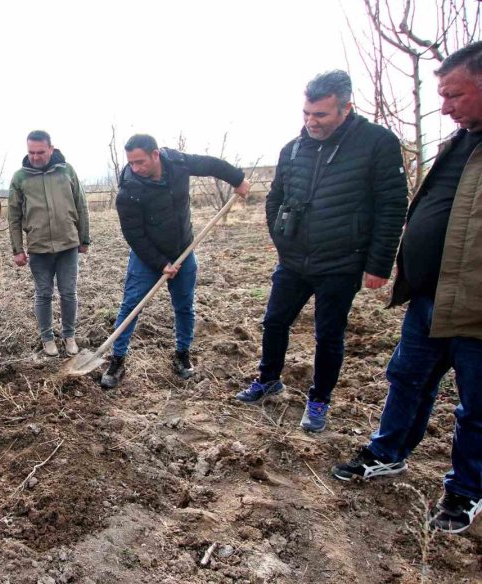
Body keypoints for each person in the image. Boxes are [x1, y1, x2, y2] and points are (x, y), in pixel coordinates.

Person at [332, 42, 482, 535]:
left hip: (477, 307)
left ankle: (465, 492)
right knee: (407, 379)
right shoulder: (460, 142)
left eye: (454, 94)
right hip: (430, 296)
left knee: (476, 406)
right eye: (440, 95)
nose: (445, 107)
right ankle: (387, 452)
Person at [234, 70, 408, 433]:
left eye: (321, 115)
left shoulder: (377, 143)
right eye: (306, 114)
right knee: (274, 322)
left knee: (328, 335)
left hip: (342, 263)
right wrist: (281, 238)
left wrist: (378, 263)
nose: (311, 122)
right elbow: (275, 199)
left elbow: (391, 206)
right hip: (294, 261)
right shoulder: (294, 149)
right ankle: (268, 379)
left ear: (346, 109)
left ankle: (319, 400)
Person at [100, 134, 250, 389]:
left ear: (156, 154)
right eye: (131, 163)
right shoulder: (129, 192)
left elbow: (211, 164)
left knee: (184, 306)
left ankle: (182, 355)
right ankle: (117, 360)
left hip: (184, 249)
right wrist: (160, 263)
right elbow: (134, 236)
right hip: (147, 257)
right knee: (131, 307)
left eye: (140, 162)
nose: (135, 169)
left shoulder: (178, 162)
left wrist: (237, 179)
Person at [8, 130, 90, 357]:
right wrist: (17, 249)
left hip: (68, 244)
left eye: (40, 152)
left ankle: (69, 336)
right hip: (39, 246)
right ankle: (47, 338)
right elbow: (13, 216)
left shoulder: (67, 171)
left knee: (68, 292)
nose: (35, 156)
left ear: (51, 149)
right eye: (31, 152)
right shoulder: (20, 178)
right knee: (43, 294)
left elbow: (81, 205)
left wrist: (84, 238)